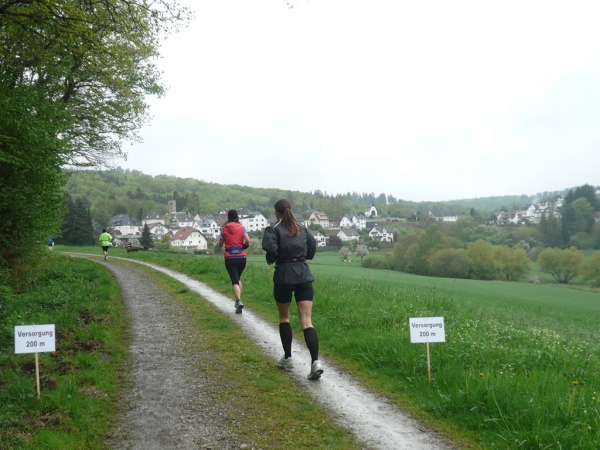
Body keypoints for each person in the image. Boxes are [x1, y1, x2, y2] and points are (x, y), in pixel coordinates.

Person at [261, 199, 323, 380]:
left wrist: (272, 259)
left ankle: (288, 357)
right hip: (304, 275)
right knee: (307, 322)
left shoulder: (273, 230)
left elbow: (272, 252)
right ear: (291, 209)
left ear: (277, 212)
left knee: (284, 318)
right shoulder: (302, 228)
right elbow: (311, 251)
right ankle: (315, 362)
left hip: (284, 276)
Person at [219, 210, 251, 314]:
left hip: (230, 258)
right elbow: (248, 240)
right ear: (237, 218)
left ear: (228, 218)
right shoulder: (242, 227)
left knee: (234, 280)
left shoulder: (224, 229)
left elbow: (220, 244)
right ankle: (238, 304)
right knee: (238, 278)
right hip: (242, 257)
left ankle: (238, 300)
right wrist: (244, 246)